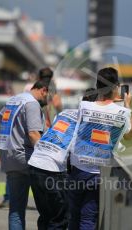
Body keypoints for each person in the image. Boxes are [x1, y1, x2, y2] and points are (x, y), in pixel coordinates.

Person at [68, 67, 132, 230]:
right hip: (99, 172)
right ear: (116, 87)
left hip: (78, 168)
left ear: (97, 86)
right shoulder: (123, 113)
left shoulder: (83, 105)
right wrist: (127, 106)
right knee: (89, 219)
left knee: (73, 217)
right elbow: (130, 135)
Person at [27, 88, 97, 230]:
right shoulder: (87, 123)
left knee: (45, 217)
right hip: (53, 170)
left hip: (35, 163)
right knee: (59, 219)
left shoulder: (64, 113)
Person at [0, 79, 49, 230]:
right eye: (47, 96)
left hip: (8, 156)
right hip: (27, 158)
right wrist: (47, 156)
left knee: (16, 209)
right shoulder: (32, 103)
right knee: (47, 207)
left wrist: (15, 135)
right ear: (43, 90)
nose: (47, 100)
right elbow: (34, 134)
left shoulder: (13, 100)